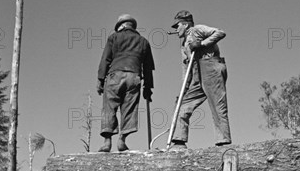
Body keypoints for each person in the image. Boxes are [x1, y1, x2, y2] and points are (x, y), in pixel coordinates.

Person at [169, 10, 231, 150]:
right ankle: (179, 141)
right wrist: (184, 89)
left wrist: (202, 44)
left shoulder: (197, 30)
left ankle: (223, 142)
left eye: (177, 25)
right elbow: (186, 67)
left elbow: (220, 32)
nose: (176, 29)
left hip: (211, 67)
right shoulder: (184, 45)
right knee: (182, 105)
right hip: (197, 74)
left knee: (217, 105)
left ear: (185, 24)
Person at [97, 14, 155, 152]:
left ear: (122, 26)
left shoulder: (114, 37)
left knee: (109, 107)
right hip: (134, 76)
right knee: (129, 108)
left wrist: (100, 79)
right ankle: (122, 140)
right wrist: (148, 87)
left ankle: (107, 142)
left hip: (115, 75)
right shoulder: (143, 42)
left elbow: (105, 59)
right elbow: (148, 67)